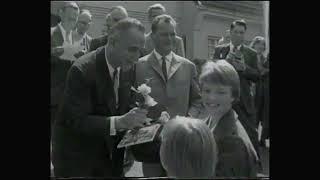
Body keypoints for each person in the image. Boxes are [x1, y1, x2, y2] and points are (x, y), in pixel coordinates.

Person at [52, 17, 150, 177]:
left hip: (111, 162)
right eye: (132, 49)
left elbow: (123, 107)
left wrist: (143, 121)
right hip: (78, 163)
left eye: (140, 50)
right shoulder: (82, 70)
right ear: (112, 41)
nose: (137, 57)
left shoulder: (128, 67)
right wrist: (120, 122)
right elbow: (77, 121)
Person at [134, 14, 202, 177]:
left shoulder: (188, 66)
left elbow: (198, 100)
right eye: (164, 34)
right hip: (151, 140)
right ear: (153, 36)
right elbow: (133, 101)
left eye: (172, 34)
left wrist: (186, 119)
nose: (170, 38)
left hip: (180, 139)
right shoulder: (139, 66)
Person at [192, 60, 259, 177]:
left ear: (233, 96)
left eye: (221, 92)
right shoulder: (210, 120)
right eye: (207, 90)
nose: (212, 97)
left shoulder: (232, 142)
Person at [212, 20, 261, 161]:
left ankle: (254, 165)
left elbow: (258, 76)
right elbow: (212, 70)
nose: (239, 35)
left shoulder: (251, 53)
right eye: (236, 32)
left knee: (250, 134)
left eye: (242, 32)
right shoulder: (220, 50)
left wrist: (244, 68)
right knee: (221, 134)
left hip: (243, 100)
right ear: (230, 32)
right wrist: (224, 62)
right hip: (223, 99)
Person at [51, 1, 79, 128]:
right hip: (53, 95)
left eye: (75, 19)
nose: (72, 22)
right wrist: (57, 52)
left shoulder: (77, 37)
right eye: (70, 18)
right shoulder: (51, 33)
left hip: (70, 98)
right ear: (60, 13)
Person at [250, 36, 269, 147]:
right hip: (253, 87)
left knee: (263, 113)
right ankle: (253, 138)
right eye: (259, 44)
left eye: (263, 45)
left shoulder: (264, 58)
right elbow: (261, 71)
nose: (261, 47)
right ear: (254, 44)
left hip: (263, 89)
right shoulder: (251, 56)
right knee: (254, 113)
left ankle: (262, 138)